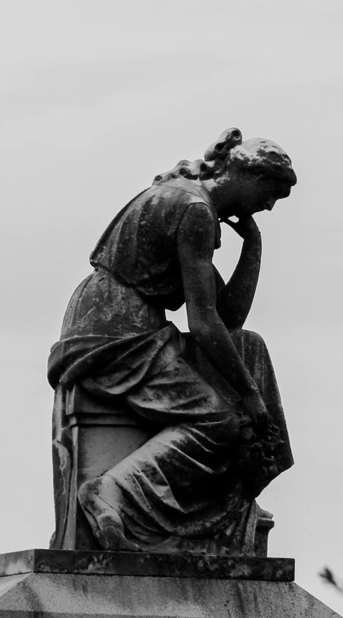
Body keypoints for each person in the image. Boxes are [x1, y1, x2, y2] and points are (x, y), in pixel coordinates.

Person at [48, 127, 296, 555]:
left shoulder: (188, 199)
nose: (269, 205)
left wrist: (253, 246)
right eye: (270, 193)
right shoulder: (194, 210)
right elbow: (204, 325)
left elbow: (229, 318)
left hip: (120, 321)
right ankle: (113, 492)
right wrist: (250, 396)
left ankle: (235, 508)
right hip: (117, 332)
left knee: (248, 347)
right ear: (248, 176)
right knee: (219, 422)